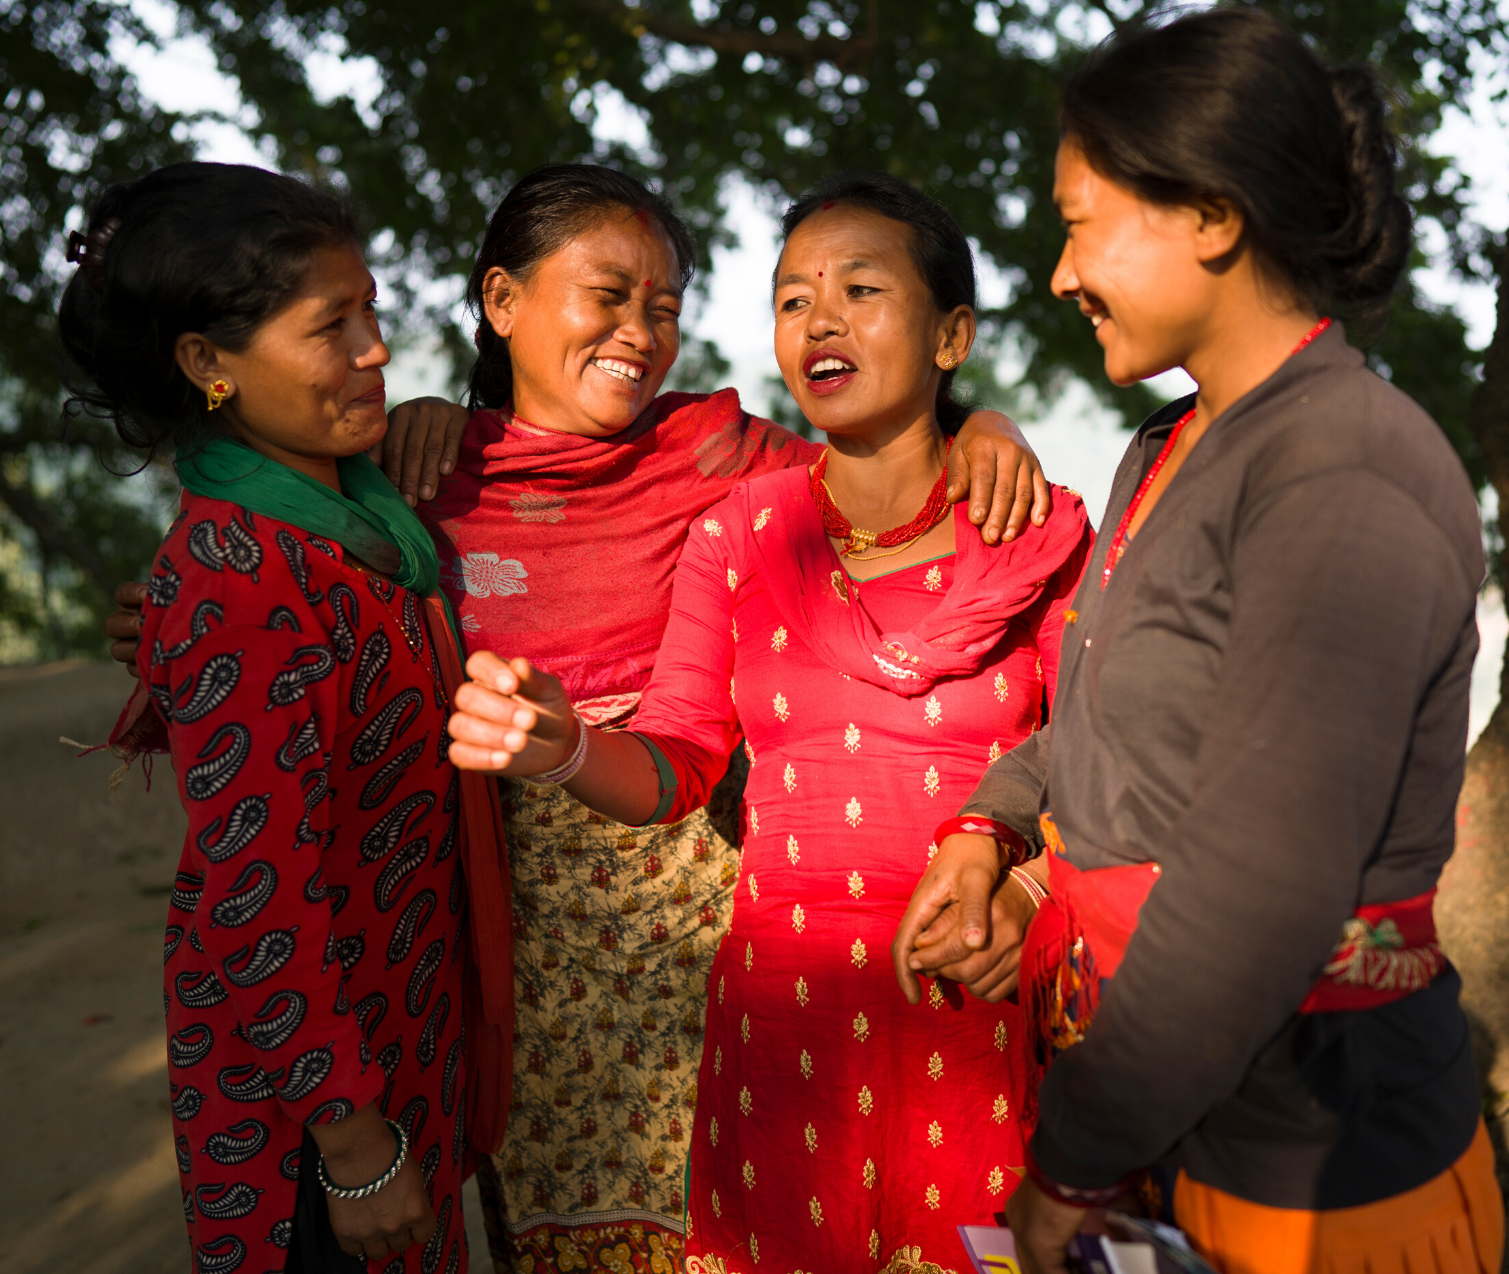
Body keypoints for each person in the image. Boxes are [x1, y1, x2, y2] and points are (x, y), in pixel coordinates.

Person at [104, 163, 1052, 1273]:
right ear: (502, 303)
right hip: (519, 984)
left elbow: (884, 461)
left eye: (664, 307)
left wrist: (981, 419)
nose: (640, 333)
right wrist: (173, 624)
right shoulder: (416, 480)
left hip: (716, 970)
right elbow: (284, 663)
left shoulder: (718, 460)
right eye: (607, 294)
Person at [892, 12, 1506, 1274]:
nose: (1060, 274)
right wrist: (990, 822)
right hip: (1176, 1131)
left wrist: (1074, 1150)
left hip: (1320, 1164)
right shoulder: (1167, 451)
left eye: (1080, 222)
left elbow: (1254, 891)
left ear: (1212, 215)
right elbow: (1114, 716)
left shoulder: (1344, 471)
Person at [445, 171, 1094, 1274]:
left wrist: (1028, 896)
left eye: (858, 289)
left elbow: (1113, 752)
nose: (819, 320)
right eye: (792, 299)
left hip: (986, 1009)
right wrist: (563, 748)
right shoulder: (743, 533)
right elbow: (677, 764)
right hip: (783, 1038)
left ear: (952, 334)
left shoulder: (1035, 531)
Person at [64, 161, 510, 1273]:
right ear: (209, 364)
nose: (374, 349)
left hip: (399, 1045)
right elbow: (254, 894)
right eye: (330, 325)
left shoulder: (357, 528)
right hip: (308, 1112)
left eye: (371, 312)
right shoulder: (238, 573)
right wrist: (353, 1141)